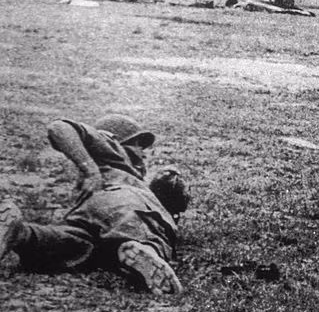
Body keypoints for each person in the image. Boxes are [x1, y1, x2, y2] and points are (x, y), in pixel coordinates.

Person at [0, 115, 190, 295]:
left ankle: (20, 232)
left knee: (74, 246)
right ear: (116, 139)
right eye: (139, 144)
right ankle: (144, 248)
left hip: (86, 216)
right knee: (147, 228)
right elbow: (59, 127)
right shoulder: (113, 150)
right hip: (121, 204)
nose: (143, 153)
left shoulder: (120, 169)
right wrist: (90, 169)